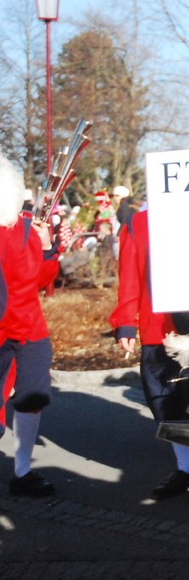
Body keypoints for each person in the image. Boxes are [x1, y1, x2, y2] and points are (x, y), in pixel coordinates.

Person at [109, 209, 189, 500]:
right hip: (158, 329)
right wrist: (125, 322)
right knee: (166, 403)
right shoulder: (138, 223)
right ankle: (186, 468)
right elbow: (130, 275)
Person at [0, 153, 60, 497]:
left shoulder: (27, 226)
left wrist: (48, 248)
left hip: (29, 327)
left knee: (32, 395)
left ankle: (22, 471)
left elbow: (42, 279)